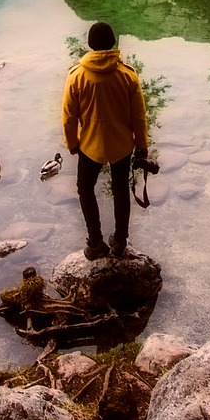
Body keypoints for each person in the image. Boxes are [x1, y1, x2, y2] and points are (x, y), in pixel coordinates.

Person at [62, 22, 148, 259]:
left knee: (85, 189)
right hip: (121, 146)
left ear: (90, 45)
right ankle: (120, 241)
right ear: (112, 43)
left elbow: (69, 116)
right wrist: (142, 147)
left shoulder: (77, 76)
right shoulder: (127, 75)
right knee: (121, 191)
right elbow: (139, 116)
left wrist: (72, 144)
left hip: (90, 146)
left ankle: (95, 241)